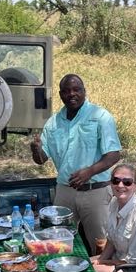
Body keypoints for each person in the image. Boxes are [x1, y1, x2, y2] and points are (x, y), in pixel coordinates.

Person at [30, 73, 122, 254]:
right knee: (57, 243)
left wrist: (90, 171)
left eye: (76, 90)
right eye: (66, 91)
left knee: (100, 246)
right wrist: (36, 149)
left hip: (95, 192)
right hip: (65, 192)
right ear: (60, 94)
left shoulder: (100, 117)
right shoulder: (53, 122)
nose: (71, 94)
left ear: (84, 92)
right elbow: (41, 160)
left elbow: (113, 155)